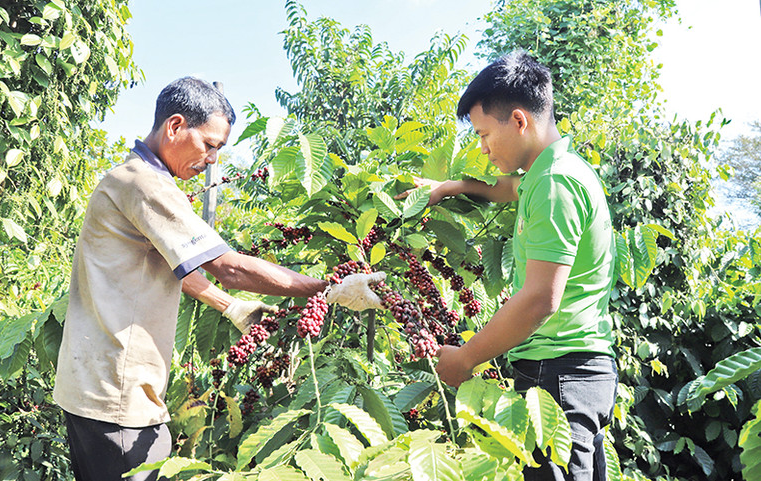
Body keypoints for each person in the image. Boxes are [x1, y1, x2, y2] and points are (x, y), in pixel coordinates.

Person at [53, 77, 384, 481]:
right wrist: (330, 290)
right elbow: (229, 267)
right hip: (119, 398)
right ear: (175, 127)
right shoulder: (146, 182)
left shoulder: (129, 177)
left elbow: (179, 266)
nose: (212, 160)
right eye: (209, 145)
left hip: (92, 387)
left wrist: (231, 307)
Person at [401, 52, 618, 480]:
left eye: (483, 134)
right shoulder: (553, 171)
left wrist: (465, 359)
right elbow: (508, 190)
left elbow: (540, 299)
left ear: (519, 121)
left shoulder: (556, 184)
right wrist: (448, 187)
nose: (481, 148)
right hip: (576, 375)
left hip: (558, 377)